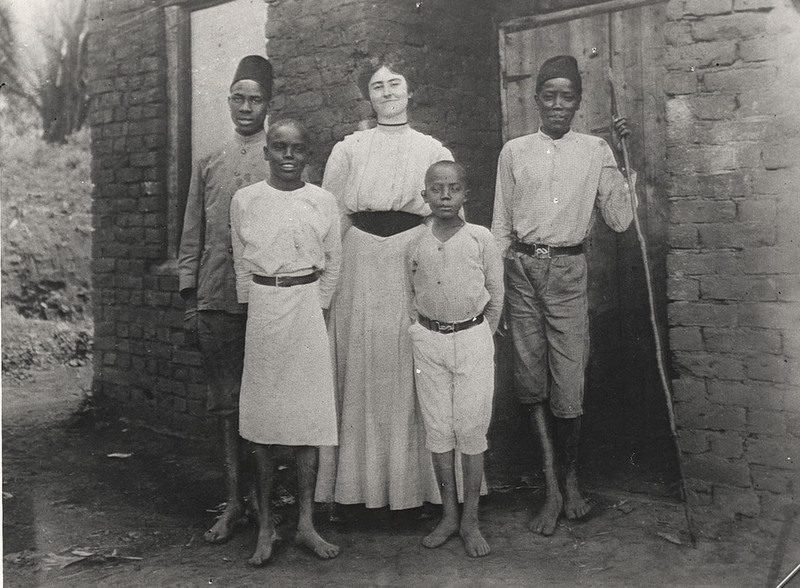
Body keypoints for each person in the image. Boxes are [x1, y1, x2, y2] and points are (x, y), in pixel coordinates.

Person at [491, 55, 635, 536]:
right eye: (549, 95)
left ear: (578, 102)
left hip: (569, 272)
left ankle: (571, 480)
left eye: (566, 96)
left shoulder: (595, 149)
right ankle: (551, 487)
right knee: (531, 381)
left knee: (568, 383)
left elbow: (620, 220)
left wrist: (623, 160)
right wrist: (498, 291)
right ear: (535, 99)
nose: (557, 104)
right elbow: (500, 225)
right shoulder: (514, 151)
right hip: (521, 272)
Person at [315, 55, 453, 513]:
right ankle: (356, 490)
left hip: (411, 255)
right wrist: (328, 277)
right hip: (360, 260)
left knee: (410, 360)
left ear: (410, 91)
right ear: (368, 96)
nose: (388, 92)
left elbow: (446, 218)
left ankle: (418, 490)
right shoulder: (349, 149)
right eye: (378, 86)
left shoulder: (432, 149)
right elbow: (332, 216)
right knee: (362, 361)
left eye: (395, 83)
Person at [230, 118, 342, 565]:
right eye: (279, 147)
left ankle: (306, 525)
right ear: (267, 152)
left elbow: (333, 261)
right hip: (264, 307)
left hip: (306, 307)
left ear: (307, 154)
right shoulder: (246, 200)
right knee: (261, 424)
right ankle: (265, 528)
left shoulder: (323, 201)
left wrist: (317, 305)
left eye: (297, 148)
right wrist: (253, 307)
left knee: (309, 419)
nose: (288, 156)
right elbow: (241, 264)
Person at [177, 55, 272, 544]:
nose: (246, 107)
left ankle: (264, 502)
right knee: (226, 405)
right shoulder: (209, 161)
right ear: (228, 100)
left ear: (268, 105)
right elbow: (192, 235)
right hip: (216, 301)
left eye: (255, 100)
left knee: (263, 403)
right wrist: (190, 301)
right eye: (238, 98)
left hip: (266, 302)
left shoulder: (278, 159)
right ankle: (234, 502)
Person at [406, 161, 504, 557]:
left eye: (454, 188)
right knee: (438, 429)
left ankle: (471, 520)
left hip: (472, 339)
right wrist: (423, 330)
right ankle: (448, 515)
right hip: (429, 342)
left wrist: (479, 333)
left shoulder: (480, 238)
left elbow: (495, 292)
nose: (445, 196)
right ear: (425, 194)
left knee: (471, 429)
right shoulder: (415, 241)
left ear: (466, 194)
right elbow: (410, 292)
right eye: (437, 188)